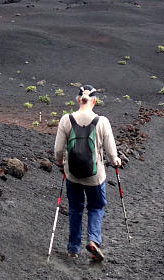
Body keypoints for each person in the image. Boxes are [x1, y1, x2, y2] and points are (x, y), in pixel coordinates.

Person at [53, 84, 121, 261]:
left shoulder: (66, 120)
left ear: (78, 100)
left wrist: (61, 164)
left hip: (72, 174)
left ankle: (73, 249)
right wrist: (116, 161)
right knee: (96, 207)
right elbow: (111, 152)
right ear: (94, 101)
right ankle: (93, 240)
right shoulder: (102, 121)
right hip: (95, 176)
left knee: (75, 209)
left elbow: (58, 150)